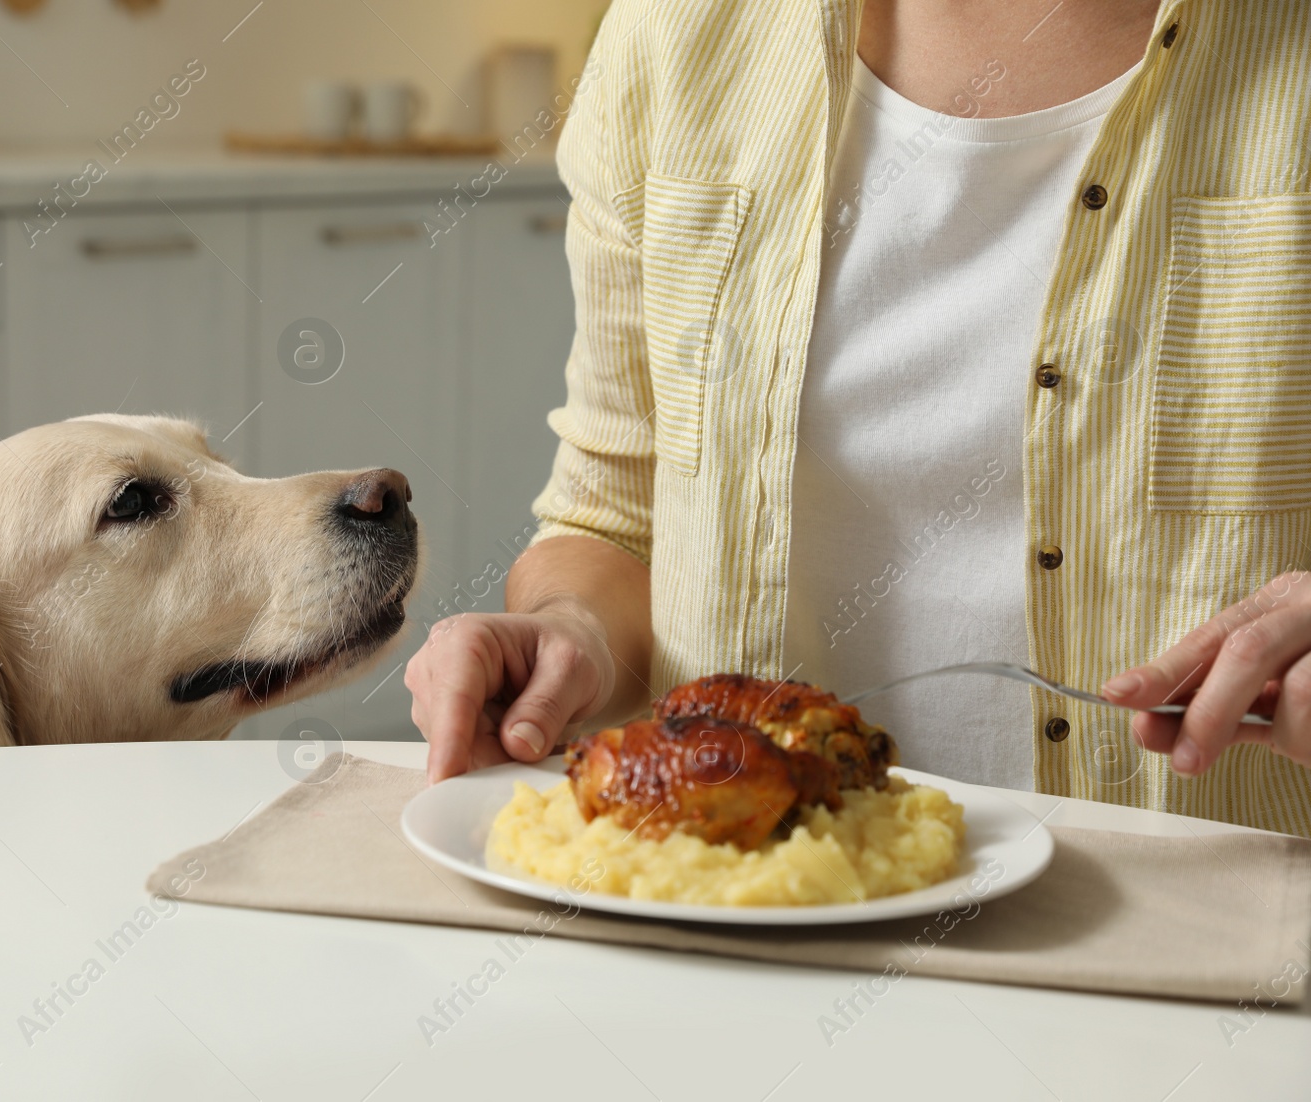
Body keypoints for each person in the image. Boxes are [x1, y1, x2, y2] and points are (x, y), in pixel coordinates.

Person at [406, 0, 1311, 835]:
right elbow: (615, 516)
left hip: (1208, 946)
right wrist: (575, 636)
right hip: (751, 929)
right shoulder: (676, 37)